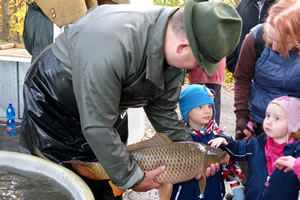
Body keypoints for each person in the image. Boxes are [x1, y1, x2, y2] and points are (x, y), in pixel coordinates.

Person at [19, 0, 242, 199]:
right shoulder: (111, 45)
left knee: (109, 177)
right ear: (183, 46)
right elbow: (97, 127)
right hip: (54, 97)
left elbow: (163, 111)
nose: (197, 70)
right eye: (198, 62)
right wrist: (133, 178)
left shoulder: (173, 48)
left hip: (106, 103)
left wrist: (194, 152)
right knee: (61, 178)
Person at [209, 96, 300, 200]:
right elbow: (237, 149)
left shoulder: (296, 151)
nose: (268, 122)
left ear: (293, 125)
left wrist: (296, 165)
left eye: (277, 118)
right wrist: (223, 142)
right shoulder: (258, 144)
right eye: (267, 116)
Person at [234, 0, 300, 141]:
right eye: (270, 38)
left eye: (282, 42)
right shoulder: (254, 39)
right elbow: (242, 78)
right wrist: (241, 117)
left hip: (294, 131)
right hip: (257, 122)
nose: (274, 46)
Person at [170, 84, 244, 200]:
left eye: (210, 106)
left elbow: (229, 163)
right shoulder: (177, 136)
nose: (207, 111)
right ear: (187, 111)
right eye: (200, 107)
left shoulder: (217, 136)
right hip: (183, 193)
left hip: (212, 192)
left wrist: (237, 188)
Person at [226, 0, 275, 73]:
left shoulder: (285, 6)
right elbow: (231, 34)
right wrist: (235, 66)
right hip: (244, 76)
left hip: (275, 77)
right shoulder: (244, 4)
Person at [188, 57, 226, 125]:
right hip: (216, 69)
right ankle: (213, 130)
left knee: (195, 105)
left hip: (198, 69)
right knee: (213, 104)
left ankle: (195, 130)